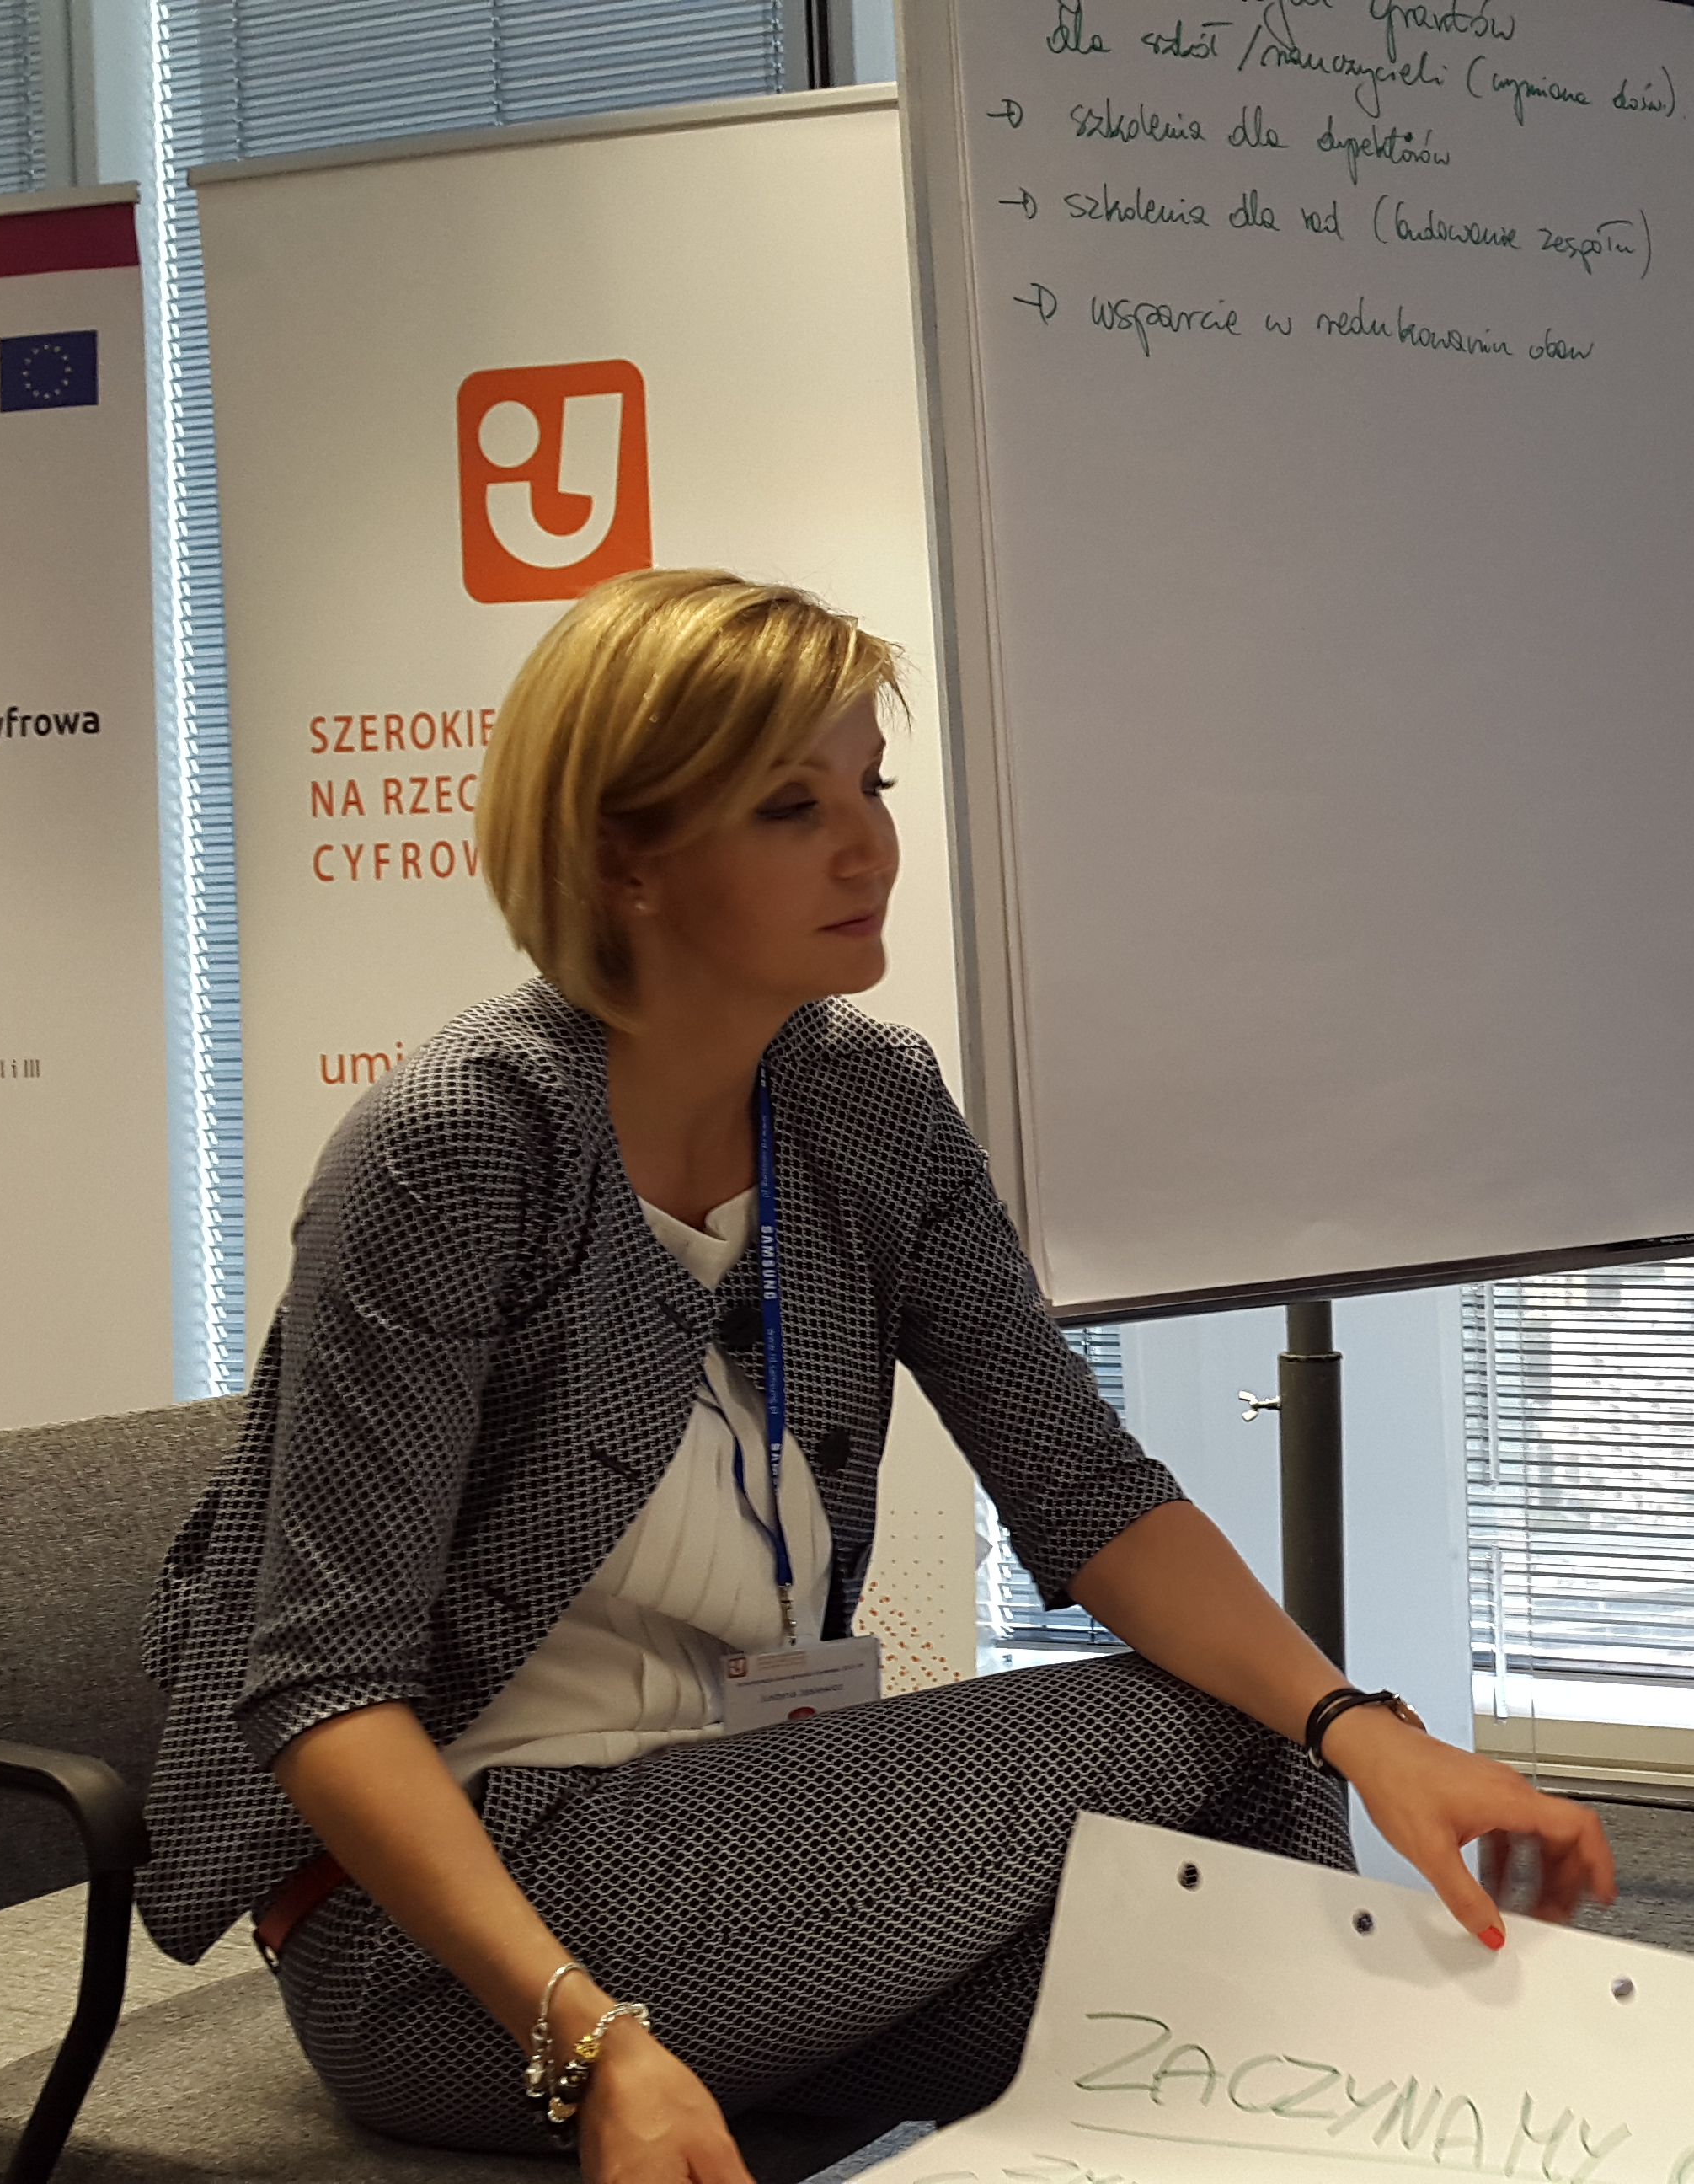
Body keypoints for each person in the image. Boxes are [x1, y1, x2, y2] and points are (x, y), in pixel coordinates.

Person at [135, 570, 1615, 2181]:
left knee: (1234, 2009)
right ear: (625, 862)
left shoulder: (866, 1101)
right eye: (792, 807)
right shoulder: (465, 1144)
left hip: (750, 1837)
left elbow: (1083, 1487)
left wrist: (1369, 1727)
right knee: (1223, 1736)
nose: (870, 848)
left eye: (872, 786)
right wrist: (595, 2039)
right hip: (460, 1949)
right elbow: (325, 1692)